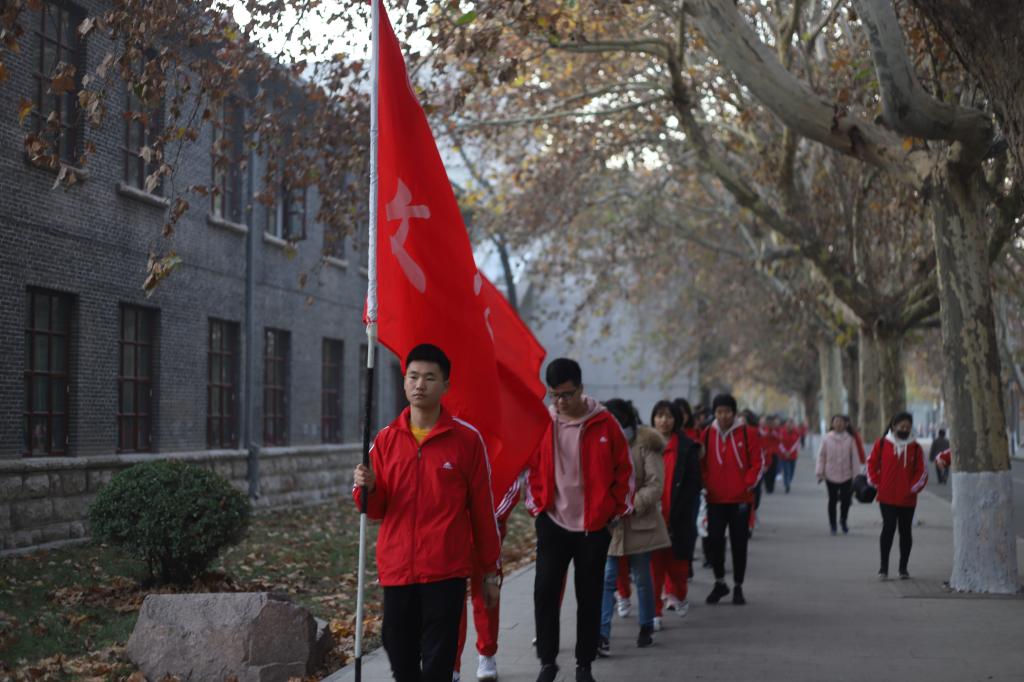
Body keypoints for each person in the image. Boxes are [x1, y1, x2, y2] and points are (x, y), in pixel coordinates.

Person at [352, 344, 502, 682]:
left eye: (430, 378)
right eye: (413, 376)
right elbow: (372, 510)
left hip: (445, 570)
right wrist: (368, 487)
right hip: (398, 569)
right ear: (404, 381)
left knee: (438, 663)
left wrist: (490, 573)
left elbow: (483, 511)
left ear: (445, 385)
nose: (420, 384)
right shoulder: (386, 440)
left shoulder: (467, 441)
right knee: (397, 649)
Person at [526, 358, 634, 682]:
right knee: (545, 591)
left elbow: (624, 470)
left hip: (593, 527)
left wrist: (615, 512)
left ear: (581, 389)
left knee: (588, 596)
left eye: (567, 394)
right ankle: (547, 662)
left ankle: (584, 664)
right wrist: (536, 506)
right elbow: (530, 467)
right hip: (552, 521)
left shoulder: (605, 423)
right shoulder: (543, 423)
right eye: (555, 395)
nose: (561, 402)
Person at [597, 399, 669, 654]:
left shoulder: (645, 442)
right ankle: (601, 634)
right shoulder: (601, 440)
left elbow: (655, 484)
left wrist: (630, 504)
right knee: (607, 578)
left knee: (641, 576)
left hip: (639, 521)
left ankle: (646, 625)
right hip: (611, 522)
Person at [454, 479, 521, 682]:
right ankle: (451, 664)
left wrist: (492, 516)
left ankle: (487, 654)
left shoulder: (494, 455)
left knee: (486, 595)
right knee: (451, 599)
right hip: (452, 532)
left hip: (486, 532)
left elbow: (512, 481)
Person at [700, 394, 763, 605]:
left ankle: (738, 586)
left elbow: (758, 462)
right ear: (714, 413)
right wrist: (705, 485)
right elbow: (701, 464)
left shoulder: (747, 433)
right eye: (719, 411)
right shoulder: (706, 434)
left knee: (739, 544)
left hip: (740, 500)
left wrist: (748, 483)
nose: (723, 415)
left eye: (727, 411)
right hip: (715, 499)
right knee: (715, 542)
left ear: (734, 413)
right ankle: (720, 582)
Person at [649, 400, 701, 626]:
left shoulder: (687, 448)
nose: (664, 420)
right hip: (651, 518)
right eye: (659, 415)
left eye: (669, 416)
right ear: (653, 418)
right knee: (653, 570)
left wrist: (681, 511)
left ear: (676, 420)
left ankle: (678, 594)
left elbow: (694, 483)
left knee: (678, 568)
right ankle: (654, 613)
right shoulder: (644, 446)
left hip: (678, 517)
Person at [867, 411, 928, 580]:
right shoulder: (881, 444)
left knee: (905, 532)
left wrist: (912, 489)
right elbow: (871, 464)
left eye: (908, 427)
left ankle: (903, 568)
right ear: (894, 426)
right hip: (886, 497)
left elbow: (922, 472)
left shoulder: (916, 448)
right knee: (888, 529)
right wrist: (877, 483)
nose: (905, 430)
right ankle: (883, 568)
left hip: (908, 500)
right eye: (902, 426)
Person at [815, 415, 860, 535]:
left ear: (845, 424)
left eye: (841, 422)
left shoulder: (850, 439)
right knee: (833, 500)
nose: (839, 424)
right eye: (836, 422)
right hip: (830, 474)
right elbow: (821, 456)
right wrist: (819, 472)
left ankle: (843, 520)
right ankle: (833, 524)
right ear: (832, 424)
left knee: (846, 500)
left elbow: (855, 458)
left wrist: (856, 475)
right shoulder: (826, 438)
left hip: (846, 475)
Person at [759, 415, 781, 494]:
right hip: (765, 454)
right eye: (768, 423)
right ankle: (768, 485)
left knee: (773, 470)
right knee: (766, 471)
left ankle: (771, 485)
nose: (770, 424)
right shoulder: (763, 431)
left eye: (771, 423)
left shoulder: (776, 432)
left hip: (774, 454)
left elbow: (779, 441)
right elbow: (760, 442)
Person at [778, 418, 801, 493]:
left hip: (792, 455)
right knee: (786, 470)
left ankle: (788, 481)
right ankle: (786, 484)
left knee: (791, 471)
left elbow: (797, 444)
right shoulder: (781, 431)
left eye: (791, 424)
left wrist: (790, 452)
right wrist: (785, 451)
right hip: (783, 455)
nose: (789, 425)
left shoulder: (796, 432)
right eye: (788, 423)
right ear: (786, 424)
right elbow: (779, 443)